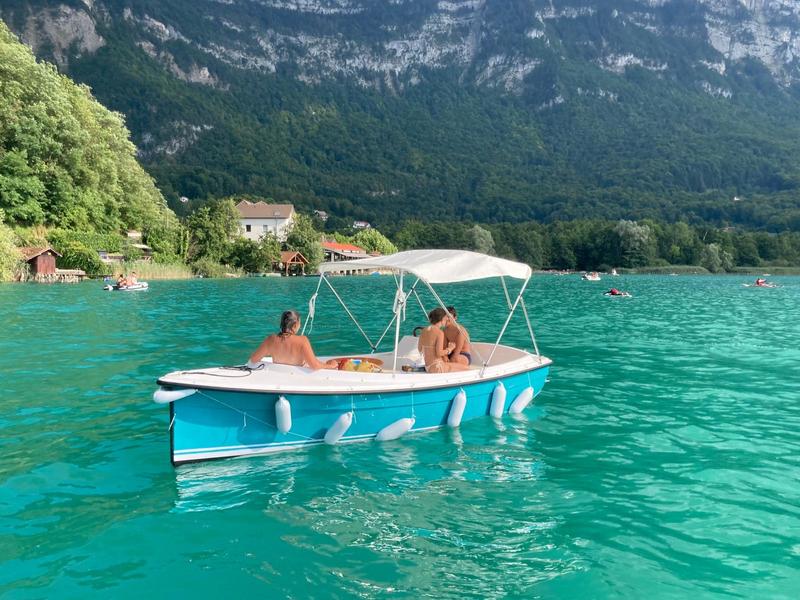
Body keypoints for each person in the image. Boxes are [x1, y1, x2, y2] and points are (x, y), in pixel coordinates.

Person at [248, 310, 338, 370]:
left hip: (278, 377)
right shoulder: (302, 341)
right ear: (295, 325)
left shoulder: (271, 339)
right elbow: (314, 366)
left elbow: (253, 359)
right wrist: (330, 365)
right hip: (297, 378)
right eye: (300, 323)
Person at [418, 308, 470, 374]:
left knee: (451, 362)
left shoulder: (424, 331)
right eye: (446, 318)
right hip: (438, 367)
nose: (447, 320)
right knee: (467, 369)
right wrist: (450, 349)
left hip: (428, 366)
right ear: (442, 319)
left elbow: (420, 349)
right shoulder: (440, 332)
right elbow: (439, 353)